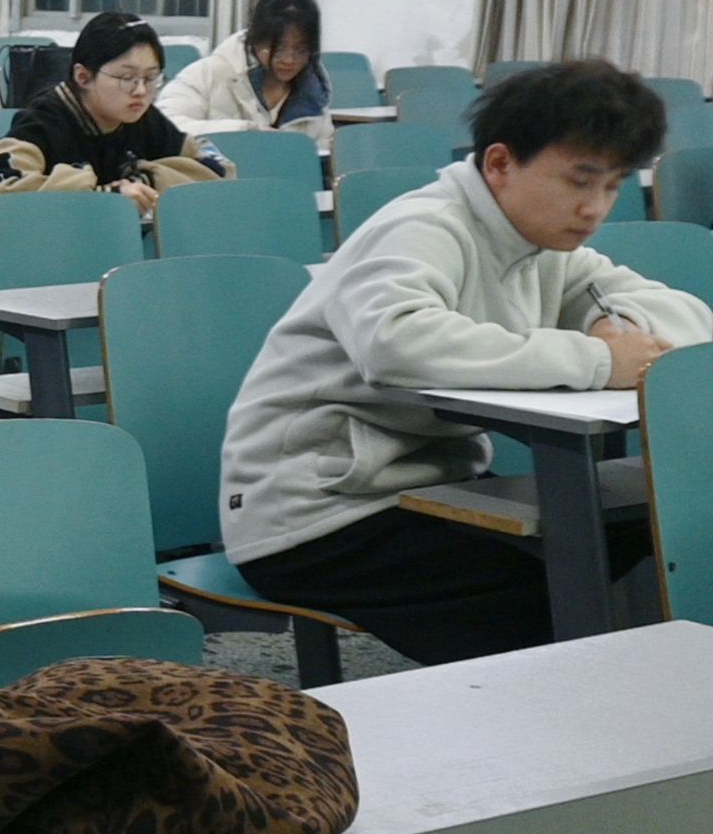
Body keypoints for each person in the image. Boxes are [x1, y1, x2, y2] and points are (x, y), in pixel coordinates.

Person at [223, 62, 713, 664]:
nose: (596, 208)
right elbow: (396, 341)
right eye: (580, 181)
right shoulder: (422, 225)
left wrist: (615, 323)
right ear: (500, 163)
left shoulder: (541, 242)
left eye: (613, 186)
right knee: (564, 600)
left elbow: (685, 314)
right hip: (316, 514)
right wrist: (595, 357)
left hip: (427, 492)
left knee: (651, 535)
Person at [0, 11, 231, 208]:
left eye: (151, 78)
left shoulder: (142, 118)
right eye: (127, 78)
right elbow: (0, 189)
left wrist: (147, 179)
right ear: (83, 77)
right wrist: (104, 196)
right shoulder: (45, 121)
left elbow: (219, 169)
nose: (141, 90)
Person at [160, 0, 335, 145]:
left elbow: (321, 151)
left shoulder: (313, 94)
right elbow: (165, 127)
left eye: (301, 50)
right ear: (255, 38)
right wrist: (245, 131)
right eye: (278, 48)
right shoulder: (207, 74)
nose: (289, 60)